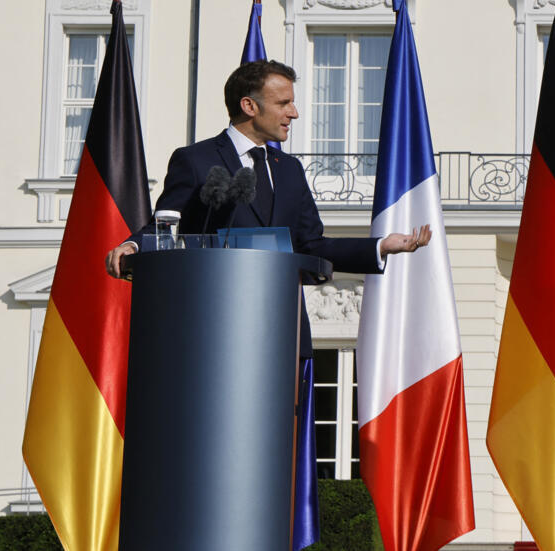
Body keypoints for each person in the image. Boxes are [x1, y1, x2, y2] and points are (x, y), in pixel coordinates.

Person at [105, 59, 429, 356]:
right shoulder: (195, 161)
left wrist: (380, 246)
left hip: (282, 330)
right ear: (249, 106)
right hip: (213, 329)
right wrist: (132, 244)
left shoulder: (289, 170)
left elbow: (312, 245)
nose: (294, 113)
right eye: (283, 103)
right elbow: (164, 223)